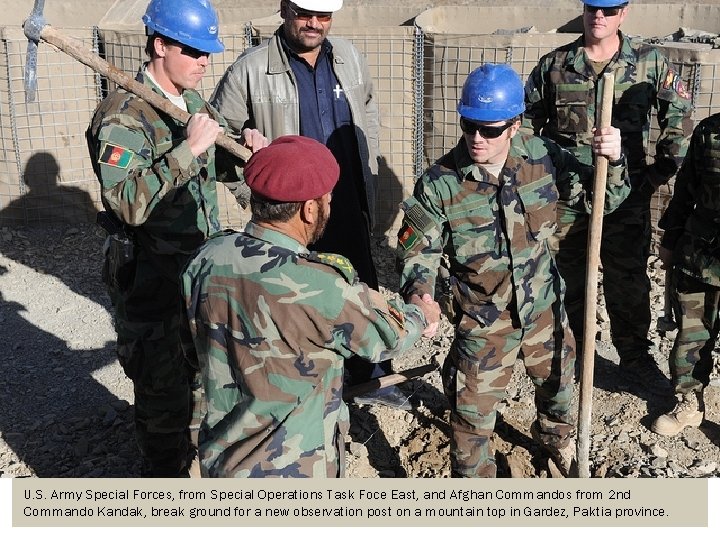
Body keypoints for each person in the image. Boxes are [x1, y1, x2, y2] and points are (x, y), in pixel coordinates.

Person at [397, 63, 630, 478]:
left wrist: (612, 160)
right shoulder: (439, 183)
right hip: (484, 320)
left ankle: (556, 440)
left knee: (559, 387)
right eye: (469, 126)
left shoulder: (542, 156)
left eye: (490, 130)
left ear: (515, 125)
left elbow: (604, 199)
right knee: (471, 419)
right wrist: (421, 295)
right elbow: (419, 254)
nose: (476, 138)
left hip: (543, 308)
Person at [181, 135, 440, 477]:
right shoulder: (319, 284)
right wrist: (422, 313)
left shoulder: (206, 258)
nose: (329, 207)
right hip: (293, 470)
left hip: (223, 462)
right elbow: (387, 337)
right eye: (327, 199)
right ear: (309, 209)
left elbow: (191, 350)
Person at [209, 0, 406, 409]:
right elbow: (219, 142)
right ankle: (311, 387)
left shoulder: (348, 57)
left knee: (358, 285)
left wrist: (366, 165)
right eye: (304, 13)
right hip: (292, 214)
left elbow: (367, 108)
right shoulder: (250, 71)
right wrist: (256, 195)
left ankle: (372, 377)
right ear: (284, 8)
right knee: (297, 297)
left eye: (324, 15)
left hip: (346, 199)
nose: (314, 23)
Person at [86, 0, 249, 477]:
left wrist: (244, 149)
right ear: (160, 46)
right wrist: (188, 149)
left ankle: (193, 458)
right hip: (151, 277)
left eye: (207, 53)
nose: (204, 62)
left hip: (195, 270)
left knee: (200, 376)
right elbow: (126, 203)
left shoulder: (190, 101)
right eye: (193, 51)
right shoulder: (123, 116)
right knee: (161, 389)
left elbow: (216, 162)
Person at [523, 0, 693, 395]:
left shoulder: (650, 63)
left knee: (627, 279)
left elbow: (679, 122)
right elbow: (527, 127)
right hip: (566, 197)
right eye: (592, 8)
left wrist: (653, 177)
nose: (599, 16)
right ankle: (574, 353)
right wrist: (540, 179)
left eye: (610, 9)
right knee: (565, 278)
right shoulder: (555, 65)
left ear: (624, 13)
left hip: (626, 194)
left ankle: (634, 357)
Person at [652, 114, 720, 436]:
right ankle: (689, 402)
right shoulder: (709, 131)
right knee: (692, 333)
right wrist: (670, 240)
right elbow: (685, 192)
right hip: (702, 256)